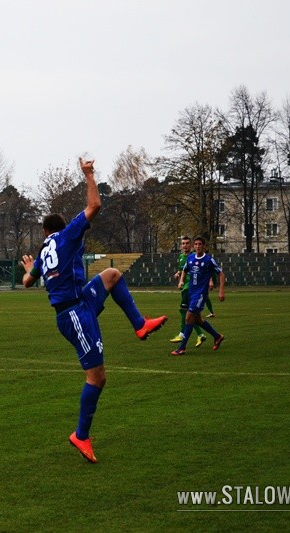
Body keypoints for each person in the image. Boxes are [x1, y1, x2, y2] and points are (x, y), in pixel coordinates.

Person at [21, 157, 168, 464]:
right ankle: (81, 435)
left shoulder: (43, 249)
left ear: (44, 230)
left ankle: (139, 324)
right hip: (73, 314)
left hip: (79, 300)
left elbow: (26, 281)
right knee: (97, 378)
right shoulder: (65, 237)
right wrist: (88, 174)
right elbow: (95, 205)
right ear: (62, 230)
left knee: (112, 275)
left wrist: (29, 270)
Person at [170, 236, 225, 356]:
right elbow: (185, 270)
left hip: (200, 293)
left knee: (188, 317)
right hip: (191, 291)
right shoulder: (190, 258)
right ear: (193, 246)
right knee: (198, 320)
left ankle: (182, 347)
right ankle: (217, 336)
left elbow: (221, 274)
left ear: (204, 246)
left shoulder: (208, 260)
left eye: (200, 244)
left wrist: (221, 291)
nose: (198, 246)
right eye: (196, 244)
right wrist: (181, 281)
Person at [170, 236, 207, 347]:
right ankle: (201, 334)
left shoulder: (193, 256)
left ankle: (182, 334)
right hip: (184, 286)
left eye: (187, 243)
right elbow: (182, 269)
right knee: (193, 315)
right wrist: (178, 274)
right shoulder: (181, 257)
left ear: (191, 245)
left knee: (183, 310)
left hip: (190, 287)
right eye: (183, 243)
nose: (185, 245)